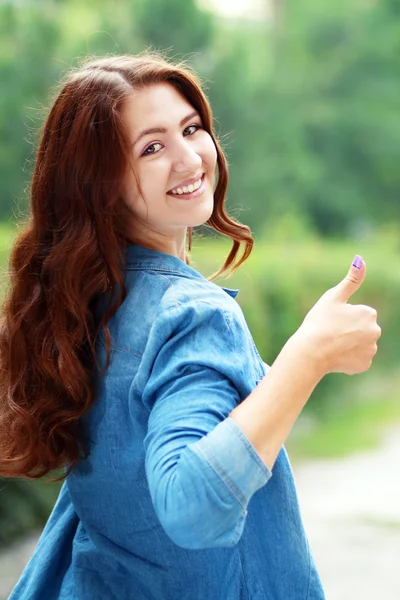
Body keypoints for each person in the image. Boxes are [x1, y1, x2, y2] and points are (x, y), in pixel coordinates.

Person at [0, 53, 380, 600]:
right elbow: (191, 505)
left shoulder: (89, 308)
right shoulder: (192, 314)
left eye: (191, 128)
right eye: (151, 148)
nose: (189, 158)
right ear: (98, 185)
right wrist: (308, 357)